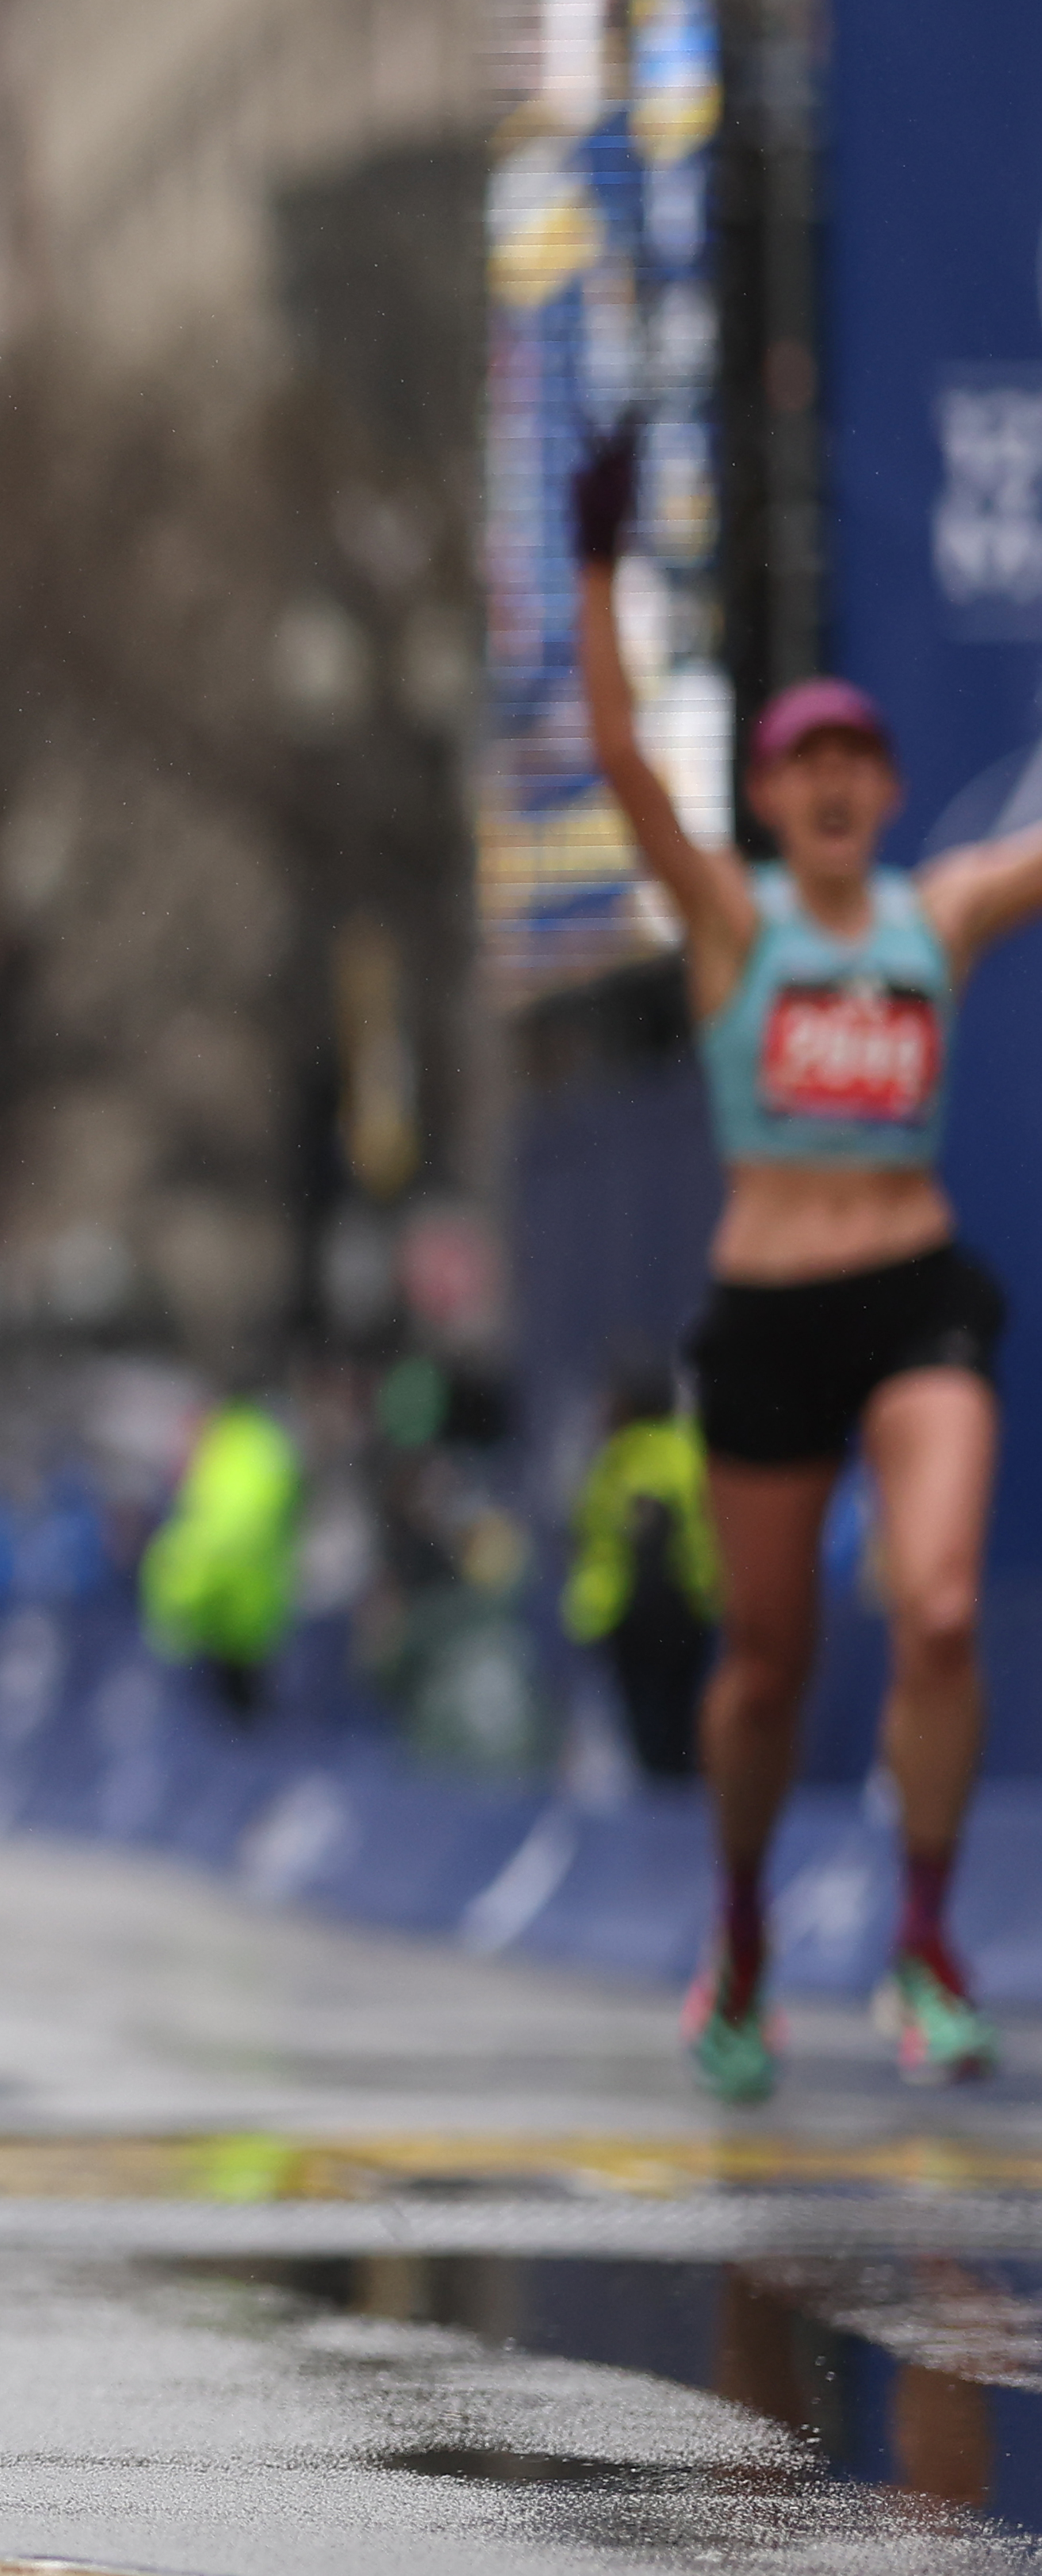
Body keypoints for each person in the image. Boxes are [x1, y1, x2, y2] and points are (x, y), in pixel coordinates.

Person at [573, 423, 1042, 2099]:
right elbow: (625, 764)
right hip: (769, 1309)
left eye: (861, 756)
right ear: (773, 796)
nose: (837, 779)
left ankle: (923, 1943)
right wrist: (595, 569)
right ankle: (746, 1936)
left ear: (890, 789)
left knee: (931, 1611)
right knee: (764, 1659)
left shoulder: (945, 911)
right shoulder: (736, 926)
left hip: (915, 1291)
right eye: (806, 760)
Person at [565, 1362, 717, 1786]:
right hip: (691, 1609)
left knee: (649, 1737)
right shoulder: (690, 1453)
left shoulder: (619, 1460)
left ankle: (662, 1819)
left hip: (631, 1616)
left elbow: (610, 1536)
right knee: (683, 1728)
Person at [142, 1389, 303, 1727]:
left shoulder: (228, 1460)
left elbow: (214, 1545)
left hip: (226, 1619)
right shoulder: (262, 1445)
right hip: (258, 1614)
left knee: (223, 1729)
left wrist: (175, 1603)